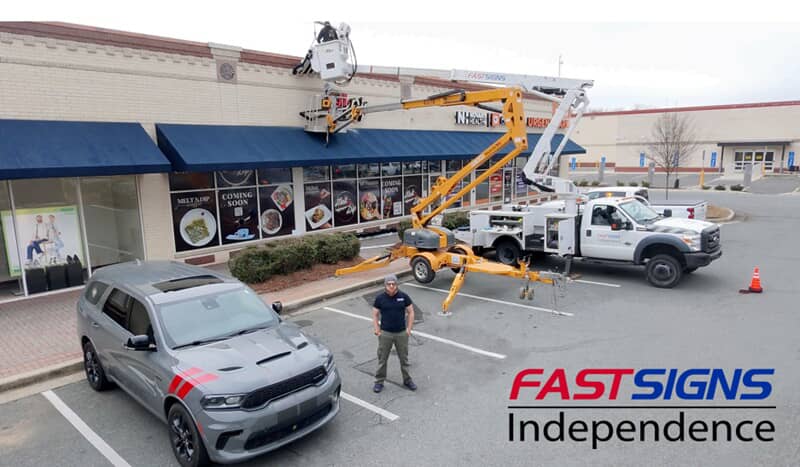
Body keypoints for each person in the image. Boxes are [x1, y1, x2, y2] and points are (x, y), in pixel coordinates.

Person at [372, 274, 416, 393]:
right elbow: (375, 314)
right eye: (388, 284)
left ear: (396, 284)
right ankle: (379, 382)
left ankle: (407, 380)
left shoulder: (403, 297)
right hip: (385, 333)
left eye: (393, 284)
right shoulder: (380, 298)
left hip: (401, 333)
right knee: (382, 359)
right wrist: (377, 329)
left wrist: (409, 329)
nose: (391, 286)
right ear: (385, 285)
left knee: (404, 359)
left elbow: (411, 312)